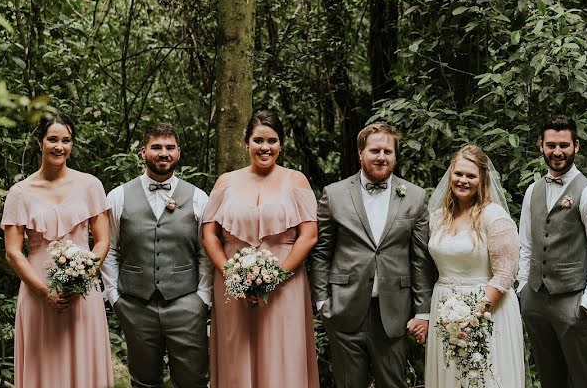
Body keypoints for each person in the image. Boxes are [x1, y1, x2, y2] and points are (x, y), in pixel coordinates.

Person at [310, 122, 433, 388]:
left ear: (395, 156)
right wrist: (322, 302)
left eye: (388, 151)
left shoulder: (415, 196)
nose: (381, 157)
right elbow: (321, 252)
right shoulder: (334, 195)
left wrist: (423, 311)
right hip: (344, 308)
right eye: (375, 150)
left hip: (394, 311)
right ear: (360, 153)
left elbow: (420, 258)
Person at [201, 110, 319, 387]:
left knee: (282, 354)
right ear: (246, 143)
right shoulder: (226, 182)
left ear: (281, 145)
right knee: (235, 354)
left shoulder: (296, 180)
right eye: (258, 140)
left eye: (272, 140)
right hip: (232, 285)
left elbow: (309, 235)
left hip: (284, 285)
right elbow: (209, 235)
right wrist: (232, 275)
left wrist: (274, 279)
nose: (265, 147)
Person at [1, 113, 114, 388]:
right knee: (45, 364)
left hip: (82, 291)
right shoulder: (20, 192)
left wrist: (81, 279)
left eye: (66, 140)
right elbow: (13, 251)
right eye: (53, 139)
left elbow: (102, 241)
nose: (59, 146)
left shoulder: (90, 185)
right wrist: (44, 291)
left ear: (72, 145)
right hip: (38, 289)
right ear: (40, 142)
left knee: (83, 359)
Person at [101, 122, 212, 388]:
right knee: (143, 382)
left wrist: (202, 298)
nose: (164, 153)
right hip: (135, 304)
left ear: (178, 152)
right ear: (143, 152)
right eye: (157, 147)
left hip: (186, 303)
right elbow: (109, 250)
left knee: (193, 381)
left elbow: (205, 253)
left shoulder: (198, 197)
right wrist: (115, 297)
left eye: (170, 147)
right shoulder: (118, 197)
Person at [517, 114, 587, 388]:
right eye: (551, 145)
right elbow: (525, 244)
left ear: (576, 146)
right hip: (535, 299)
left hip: (573, 301)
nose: (557, 152)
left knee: (583, 379)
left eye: (563, 145)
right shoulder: (532, 191)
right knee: (550, 379)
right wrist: (523, 287)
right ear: (541, 146)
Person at [425, 144, 524, 388]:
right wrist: (451, 320)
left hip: (488, 311)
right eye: (458, 174)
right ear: (450, 175)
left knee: (482, 378)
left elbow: (505, 274)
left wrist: (471, 316)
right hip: (445, 310)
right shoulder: (438, 217)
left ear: (482, 179)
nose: (463, 180)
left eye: (471, 175)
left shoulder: (494, 217)